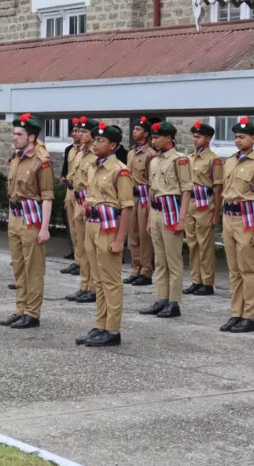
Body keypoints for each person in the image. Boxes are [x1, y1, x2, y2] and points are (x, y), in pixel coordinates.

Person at [75, 121, 134, 348]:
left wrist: (120, 239)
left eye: (101, 141)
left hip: (109, 228)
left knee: (110, 281)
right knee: (97, 279)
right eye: (96, 139)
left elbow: (127, 206)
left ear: (113, 145)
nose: (96, 143)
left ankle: (112, 329)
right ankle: (100, 324)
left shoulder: (120, 171)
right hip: (91, 225)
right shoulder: (92, 167)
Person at [0, 113, 54, 330]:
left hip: (32, 220)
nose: (15, 137)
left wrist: (45, 228)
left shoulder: (42, 161)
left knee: (33, 268)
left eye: (19, 134)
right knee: (19, 267)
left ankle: (32, 313)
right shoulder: (16, 157)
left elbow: (48, 196)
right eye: (14, 133)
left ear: (31, 137)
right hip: (15, 217)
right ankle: (20, 309)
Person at [219, 117, 254, 333]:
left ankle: (249, 316)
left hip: (247, 219)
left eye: (242, 137)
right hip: (229, 217)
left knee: (248, 269)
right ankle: (235, 313)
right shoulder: (229, 161)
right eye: (236, 137)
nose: (238, 140)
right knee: (233, 270)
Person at [140, 121, 192, 319]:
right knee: (160, 260)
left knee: (173, 260)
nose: (154, 140)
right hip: (157, 212)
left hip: (172, 213)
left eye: (157, 137)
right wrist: (149, 220)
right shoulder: (154, 161)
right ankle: (161, 298)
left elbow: (186, 190)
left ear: (169, 138)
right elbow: (152, 191)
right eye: (152, 137)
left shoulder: (180, 160)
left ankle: (174, 302)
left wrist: (182, 219)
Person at [184, 120, 223, 296]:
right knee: (192, 244)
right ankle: (196, 280)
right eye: (194, 136)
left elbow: (217, 188)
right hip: (191, 204)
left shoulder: (213, 160)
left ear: (207, 139)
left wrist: (216, 214)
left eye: (198, 136)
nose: (195, 139)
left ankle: (207, 282)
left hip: (205, 205)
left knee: (205, 244)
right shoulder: (190, 158)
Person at [66, 118, 97, 304]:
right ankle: (84, 285)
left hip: (89, 202)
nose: (80, 134)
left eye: (85, 132)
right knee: (82, 246)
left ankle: (93, 287)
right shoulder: (78, 153)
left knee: (91, 247)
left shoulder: (95, 154)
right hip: (78, 200)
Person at [125, 116, 159, 287]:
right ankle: (135, 268)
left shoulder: (151, 155)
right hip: (132, 197)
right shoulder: (131, 153)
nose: (134, 131)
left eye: (138, 129)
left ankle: (146, 271)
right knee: (133, 235)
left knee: (145, 237)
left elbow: (152, 181)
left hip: (145, 197)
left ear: (146, 133)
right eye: (134, 129)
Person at [61, 120, 83, 269]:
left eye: (80, 131)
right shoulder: (71, 149)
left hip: (81, 192)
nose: (76, 134)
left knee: (81, 228)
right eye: (74, 131)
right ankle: (77, 259)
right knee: (73, 226)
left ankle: (82, 262)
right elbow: (67, 170)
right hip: (70, 190)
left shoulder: (88, 152)